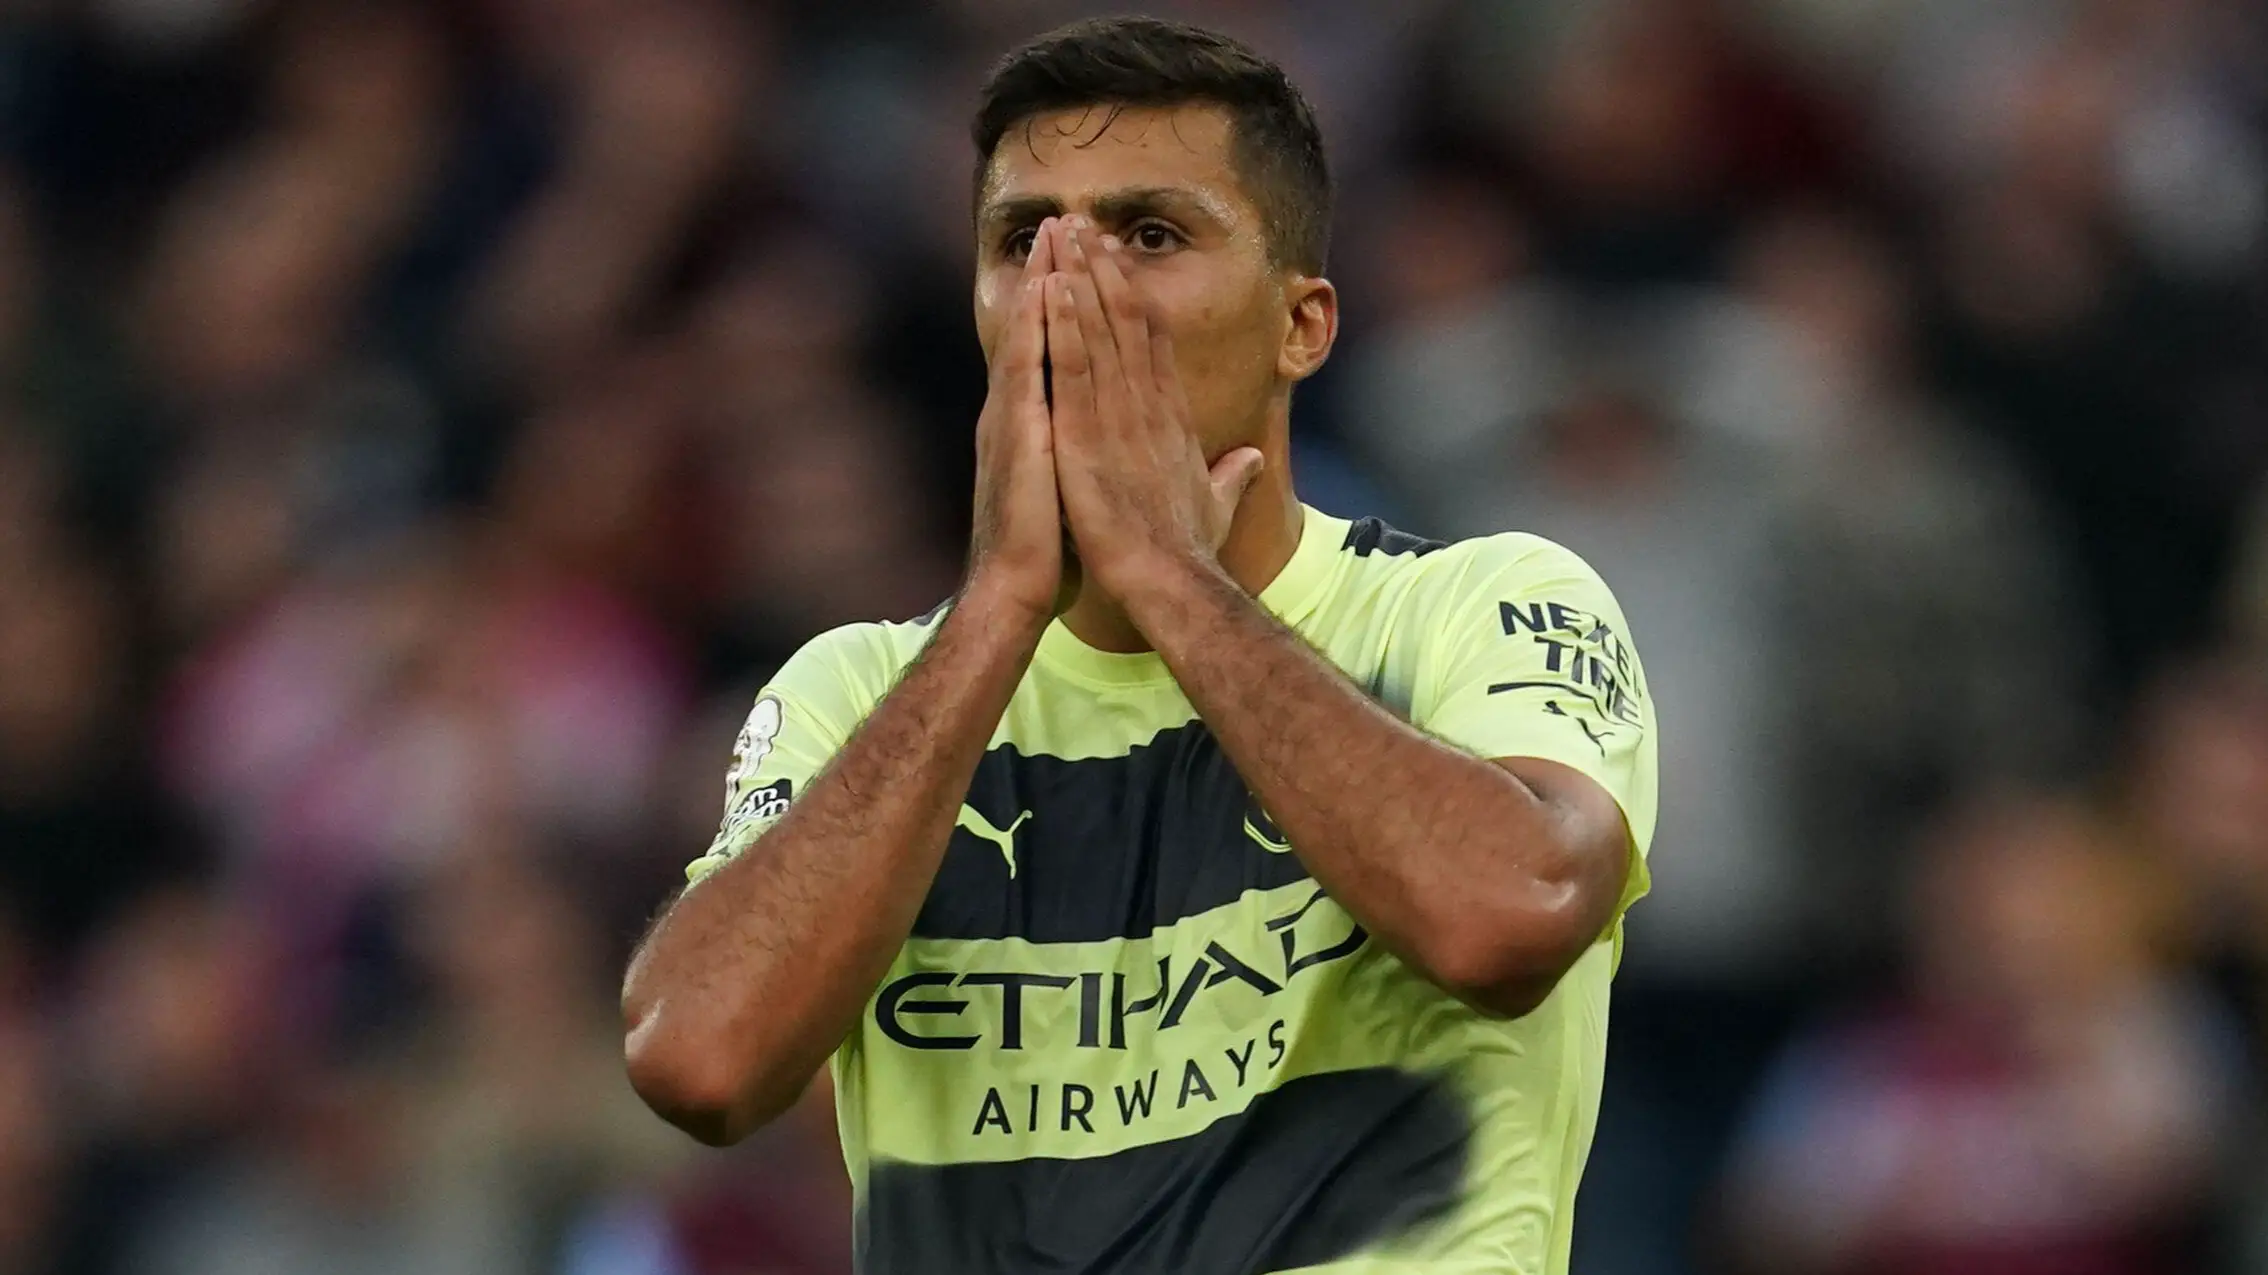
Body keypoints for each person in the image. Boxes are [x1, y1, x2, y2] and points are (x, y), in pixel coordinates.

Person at [622, 17, 1657, 1275]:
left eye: (1151, 236)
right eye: (1024, 242)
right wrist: (1001, 607)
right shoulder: (859, 689)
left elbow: (1513, 916)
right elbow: (698, 1060)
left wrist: (1167, 572)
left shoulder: (1474, 607)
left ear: (1301, 325)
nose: (1074, 294)